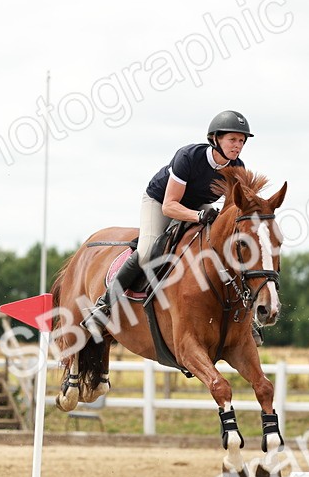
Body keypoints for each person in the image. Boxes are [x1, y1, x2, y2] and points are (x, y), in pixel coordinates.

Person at [84, 110, 253, 334]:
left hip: (197, 205)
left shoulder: (237, 168)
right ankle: (105, 305)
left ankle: (244, 318)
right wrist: (200, 216)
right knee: (146, 252)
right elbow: (169, 205)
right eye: (233, 139)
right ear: (215, 139)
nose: (238, 145)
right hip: (161, 201)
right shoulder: (189, 157)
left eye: (241, 141)